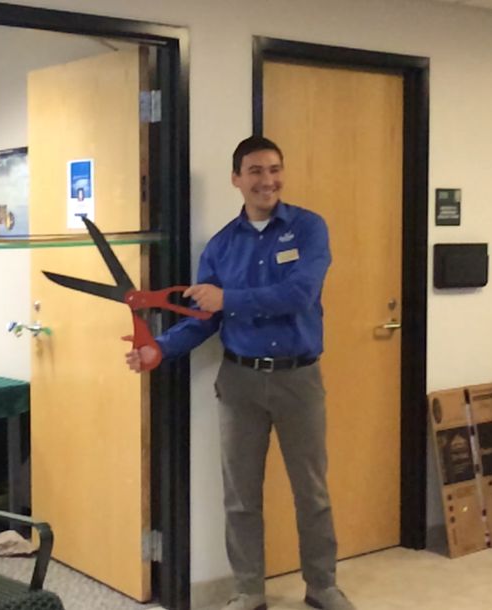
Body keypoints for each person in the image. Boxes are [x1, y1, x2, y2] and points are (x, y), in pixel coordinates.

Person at [126, 136, 356, 610]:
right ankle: (248, 590)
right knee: (240, 496)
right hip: (239, 382)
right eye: (254, 171)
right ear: (237, 179)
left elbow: (300, 294)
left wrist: (228, 299)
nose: (266, 180)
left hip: (299, 380)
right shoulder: (221, 246)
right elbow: (203, 318)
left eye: (274, 169)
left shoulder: (310, 229)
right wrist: (160, 352)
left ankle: (323, 586)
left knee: (311, 492)